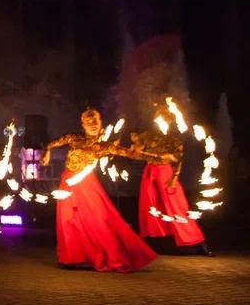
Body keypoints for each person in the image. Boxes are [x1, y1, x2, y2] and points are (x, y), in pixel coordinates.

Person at [40, 108, 171, 272]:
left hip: (87, 185)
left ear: (101, 123)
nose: (93, 125)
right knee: (68, 220)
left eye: (95, 121)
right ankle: (71, 257)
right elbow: (51, 143)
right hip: (68, 182)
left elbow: (129, 154)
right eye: (88, 122)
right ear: (83, 125)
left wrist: (154, 157)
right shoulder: (74, 138)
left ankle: (115, 254)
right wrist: (46, 152)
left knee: (98, 220)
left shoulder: (104, 146)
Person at [132, 107, 212, 255]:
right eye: (159, 118)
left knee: (176, 208)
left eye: (166, 119)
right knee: (150, 207)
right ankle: (151, 245)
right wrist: (136, 145)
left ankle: (199, 243)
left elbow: (178, 160)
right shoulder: (147, 136)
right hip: (150, 173)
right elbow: (136, 155)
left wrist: (174, 177)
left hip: (165, 173)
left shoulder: (174, 138)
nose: (162, 122)